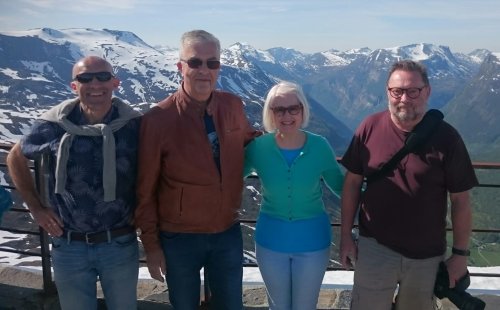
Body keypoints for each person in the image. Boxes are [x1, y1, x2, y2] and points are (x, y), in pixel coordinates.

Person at [134, 29, 261, 309]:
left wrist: (285, 144)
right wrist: (152, 247)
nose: (204, 70)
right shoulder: (158, 119)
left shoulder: (232, 105)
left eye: (211, 62)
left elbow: (246, 138)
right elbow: (144, 189)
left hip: (226, 230)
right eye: (195, 62)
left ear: (219, 67)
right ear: (180, 67)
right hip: (180, 238)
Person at [339, 60, 478, 310]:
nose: (404, 98)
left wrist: (460, 255)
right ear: (387, 92)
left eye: (413, 91)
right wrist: (346, 235)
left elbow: (461, 201)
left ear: (427, 91)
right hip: (374, 249)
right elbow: (352, 183)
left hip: (426, 255)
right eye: (397, 91)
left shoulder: (448, 138)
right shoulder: (369, 128)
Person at [6, 56, 141, 310]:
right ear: (74, 86)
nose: (95, 84)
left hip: (120, 242)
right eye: (85, 78)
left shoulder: (134, 125)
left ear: (115, 83)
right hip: (69, 245)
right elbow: (16, 156)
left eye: (102, 77)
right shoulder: (54, 124)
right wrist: (35, 207)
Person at [244, 81, 344, 309]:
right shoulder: (258, 147)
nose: (286, 115)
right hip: (270, 243)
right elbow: (230, 179)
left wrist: (381, 197)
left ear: (302, 110)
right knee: (277, 306)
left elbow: (340, 187)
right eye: (279, 109)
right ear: (270, 112)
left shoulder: (320, 146)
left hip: (314, 243)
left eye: (293, 108)